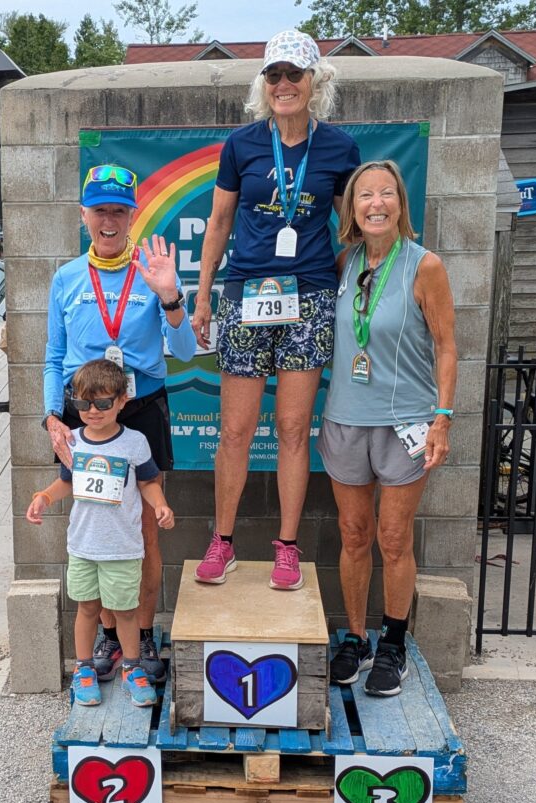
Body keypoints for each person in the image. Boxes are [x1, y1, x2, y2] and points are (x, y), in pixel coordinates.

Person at [191, 30, 360, 590]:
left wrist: (337, 275)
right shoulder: (241, 145)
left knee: (292, 427)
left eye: (294, 74)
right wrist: (203, 296)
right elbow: (219, 223)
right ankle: (222, 542)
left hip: (308, 299)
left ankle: (287, 548)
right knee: (235, 430)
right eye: (274, 75)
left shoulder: (339, 148)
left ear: (315, 81)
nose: (284, 84)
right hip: (246, 296)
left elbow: (353, 227)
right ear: (263, 83)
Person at [43, 164, 196, 684]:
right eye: (99, 210)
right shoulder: (67, 278)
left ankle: (143, 634)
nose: (109, 220)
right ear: (83, 215)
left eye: (119, 210)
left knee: (144, 527)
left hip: (141, 408)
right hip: (82, 412)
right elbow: (53, 356)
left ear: (133, 216)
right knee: (95, 519)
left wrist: (170, 297)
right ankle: (110, 637)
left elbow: (184, 350)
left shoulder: (153, 273)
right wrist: (52, 415)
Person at [318, 160, 457, 697]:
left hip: (405, 424)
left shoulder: (426, 266)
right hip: (345, 419)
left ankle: (393, 642)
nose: (376, 204)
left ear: (401, 203)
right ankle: (356, 638)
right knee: (354, 534)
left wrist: (442, 418)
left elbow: (447, 347)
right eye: (365, 196)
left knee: (393, 538)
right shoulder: (345, 262)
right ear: (352, 209)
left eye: (386, 194)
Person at [27, 360, 175, 706]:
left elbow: (148, 482)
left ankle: (133, 668)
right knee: (87, 609)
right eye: (83, 403)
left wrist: (160, 505)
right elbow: (67, 482)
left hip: (123, 547)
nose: (92, 411)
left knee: (126, 611)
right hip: (83, 546)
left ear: (122, 400)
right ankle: (83, 668)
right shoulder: (73, 441)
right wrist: (44, 497)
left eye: (103, 403)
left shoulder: (135, 442)